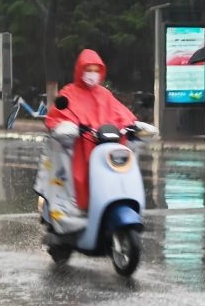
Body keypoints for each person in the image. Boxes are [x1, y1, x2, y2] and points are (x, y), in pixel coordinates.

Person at [45, 49, 137, 211]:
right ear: (80, 70)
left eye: (96, 70)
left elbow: (121, 113)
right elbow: (58, 115)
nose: (92, 74)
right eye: (88, 69)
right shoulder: (69, 92)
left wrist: (133, 125)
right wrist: (68, 126)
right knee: (79, 175)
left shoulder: (104, 94)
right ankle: (77, 207)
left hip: (105, 145)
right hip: (82, 145)